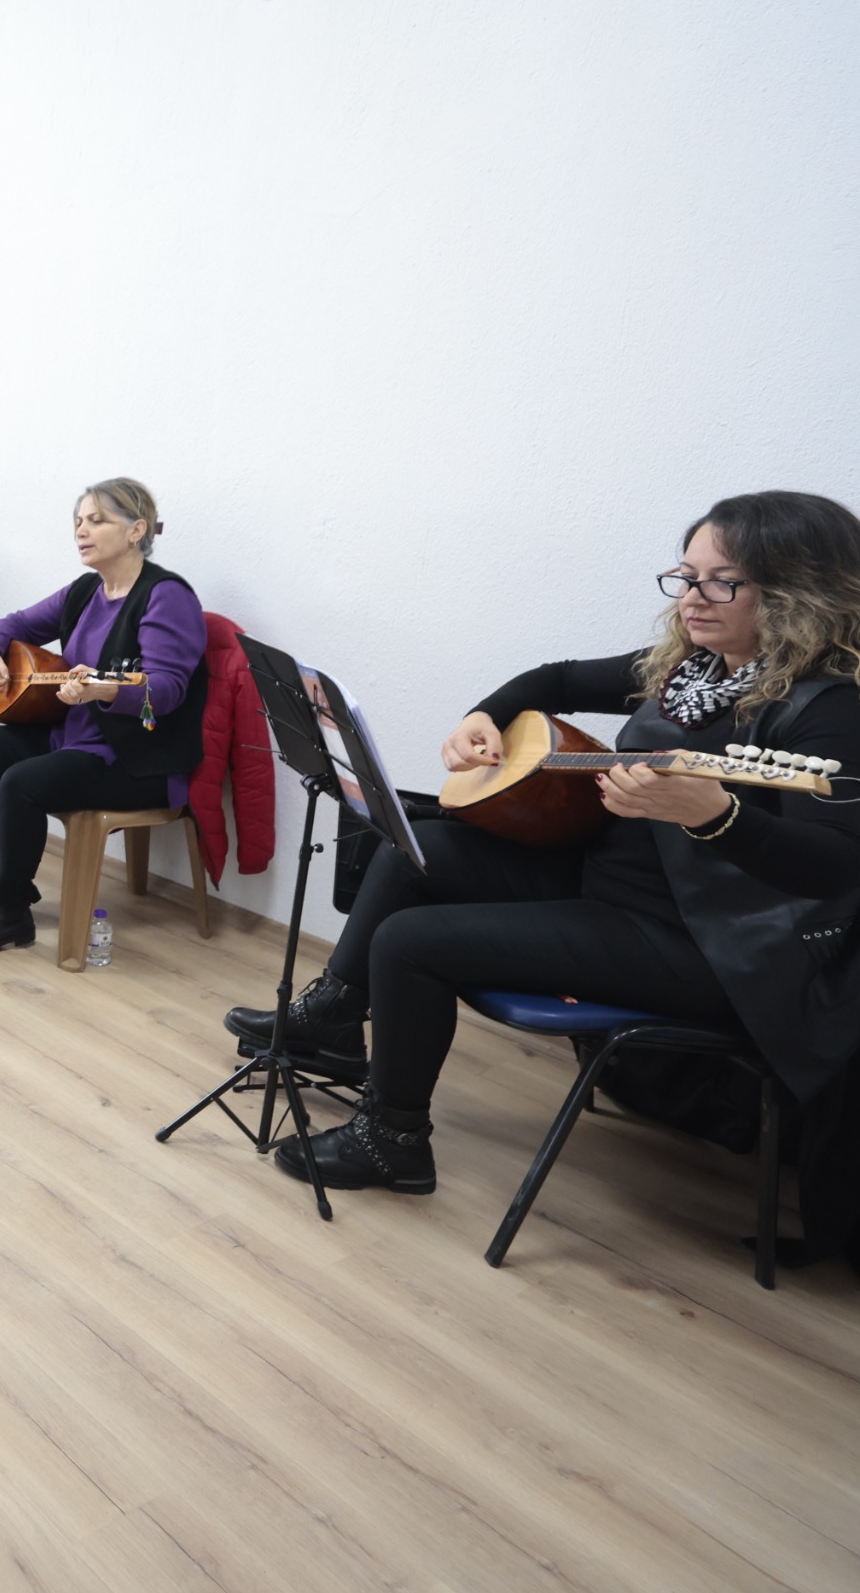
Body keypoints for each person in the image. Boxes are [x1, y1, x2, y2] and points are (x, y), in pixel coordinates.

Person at [229, 492, 860, 1251]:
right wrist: (481, 719)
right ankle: (332, 1020)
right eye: (685, 577)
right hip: (610, 887)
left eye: (721, 582)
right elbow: (552, 680)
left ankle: (391, 1140)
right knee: (415, 850)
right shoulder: (694, 670)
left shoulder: (829, 712)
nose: (691, 599)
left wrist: (712, 814)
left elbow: (833, 864)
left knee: (413, 941)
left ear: (796, 592)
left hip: (707, 947)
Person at [0, 481, 208, 955]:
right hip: (76, 738)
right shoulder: (87, 590)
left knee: (20, 782)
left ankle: (8, 915)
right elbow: (14, 625)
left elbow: (167, 691)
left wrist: (104, 689)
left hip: (136, 758)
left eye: (97, 521)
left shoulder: (166, 596)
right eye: (79, 522)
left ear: (137, 530)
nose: (82, 531)